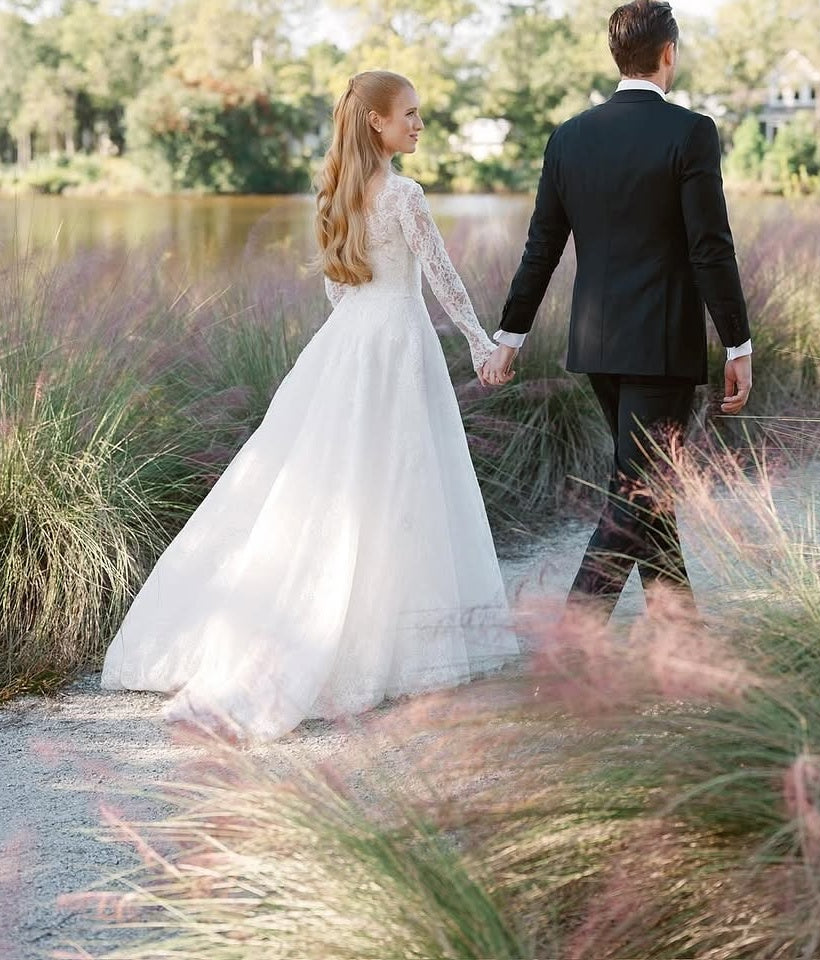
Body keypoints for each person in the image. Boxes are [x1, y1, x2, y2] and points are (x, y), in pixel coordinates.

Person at [102, 70, 517, 742]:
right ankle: (383, 639)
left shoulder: (334, 193)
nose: (418, 125)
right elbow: (441, 277)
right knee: (397, 483)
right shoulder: (405, 195)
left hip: (349, 340)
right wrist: (479, 343)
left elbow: (336, 289)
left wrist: (360, 328)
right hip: (396, 342)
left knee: (336, 481)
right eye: (409, 115)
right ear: (377, 123)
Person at [482, 0, 752, 617]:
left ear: (616, 55)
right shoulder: (691, 132)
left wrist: (511, 333)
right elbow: (710, 248)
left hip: (599, 347)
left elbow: (542, 245)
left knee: (646, 491)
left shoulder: (569, 136)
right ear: (668, 54)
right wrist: (738, 343)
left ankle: (679, 634)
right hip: (660, 350)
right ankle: (575, 644)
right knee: (640, 493)